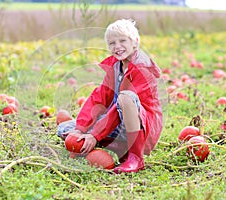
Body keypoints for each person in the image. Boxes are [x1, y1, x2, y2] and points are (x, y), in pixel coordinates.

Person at [57, 19, 163, 173]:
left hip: (141, 127)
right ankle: (117, 146)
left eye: (122, 41)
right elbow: (99, 98)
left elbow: (116, 109)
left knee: (125, 97)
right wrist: (80, 129)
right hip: (116, 123)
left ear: (135, 42)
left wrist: (94, 134)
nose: (117, 46)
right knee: (65, 129)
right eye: (112, 43)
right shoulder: (115, 66)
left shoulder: (143, 69)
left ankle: (135, 157)